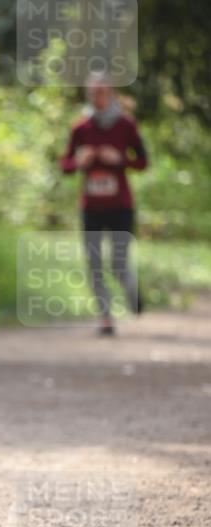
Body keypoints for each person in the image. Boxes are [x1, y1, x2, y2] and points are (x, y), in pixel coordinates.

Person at [60, 73, 148, 336]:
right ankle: (106, 319)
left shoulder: (126, 125)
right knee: (94, 264)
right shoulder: (81, 128)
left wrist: (120, 159)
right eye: (92, 93)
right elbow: (65, 166)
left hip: (121, 206)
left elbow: (143, 162)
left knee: (119, 264)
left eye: (101, 93)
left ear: (110, 93)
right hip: (91, 208)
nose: (96, 98)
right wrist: (79, 162)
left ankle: (133, 295)